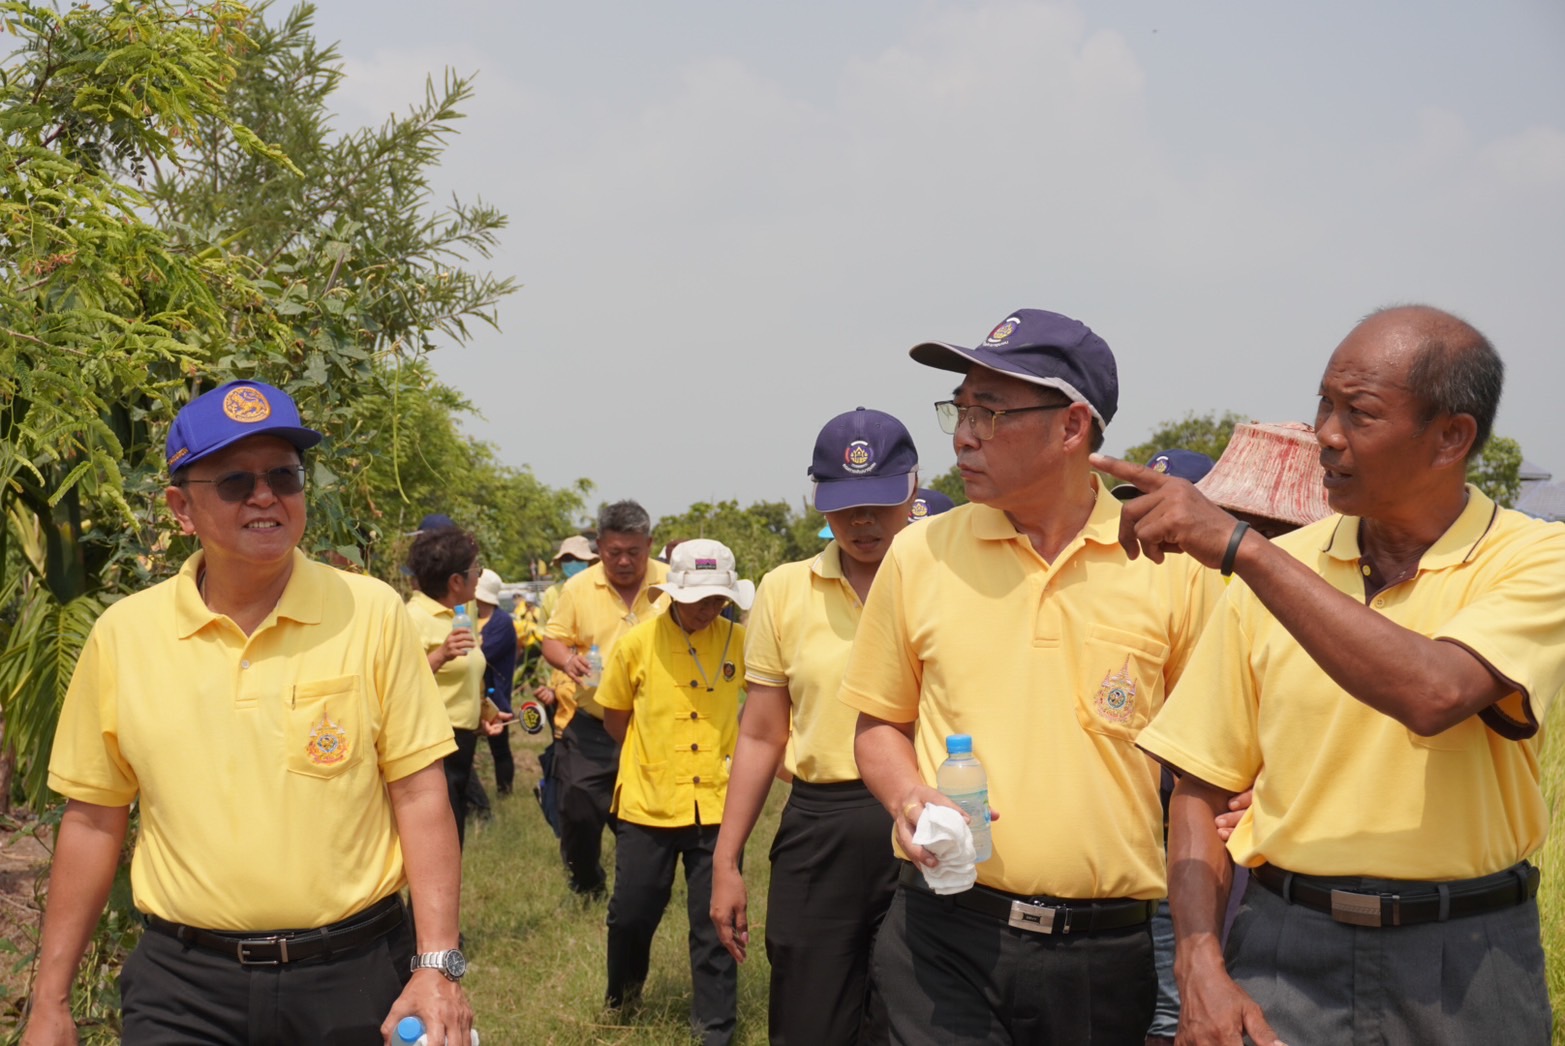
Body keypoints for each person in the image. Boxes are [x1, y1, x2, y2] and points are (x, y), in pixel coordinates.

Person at [1108, 305, 1565, 1046]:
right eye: (1323, 404)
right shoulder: (1281, 569)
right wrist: (1198, 963)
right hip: (1284, 952)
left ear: (1451, 437)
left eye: (1360, 413)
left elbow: (1435, 692)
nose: (1325, 433)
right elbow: (1199, 787)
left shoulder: (1533, 559)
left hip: (1466, 962)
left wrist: (1246, 550)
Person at [24, 380, 471, 1046]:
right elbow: (93, 819)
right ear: (181, 509)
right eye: (235, 482)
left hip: (354, 976)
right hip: (183, 990)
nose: (265, 497)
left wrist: (437, 966)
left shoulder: (370, 613)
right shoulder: (125, 636)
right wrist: (50, 1002)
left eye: (283, 477)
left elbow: (419, 792)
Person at [840, 309, 1221, 1045]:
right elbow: (878, 723)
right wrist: (907, 796)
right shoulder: (920, 554)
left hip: (1103, 953)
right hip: (942, 934)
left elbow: (1211, 770)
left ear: (1072, 427)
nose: (963, 435)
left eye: (989, 412)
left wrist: (1202, 948)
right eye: (958, 410)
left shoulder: (1169, 567)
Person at [710, 407, 919, 1045]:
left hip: (923, 822)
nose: (863, 522)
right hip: (821, 824)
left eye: (879, 503)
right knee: (809, 1016)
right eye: (846, 506)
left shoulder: (947, 581)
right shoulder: (785, 590)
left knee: (910, 1018)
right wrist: (726, 858)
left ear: (913, 488)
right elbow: (760, 733)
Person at [598, 539, 753, 1045]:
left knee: (717, 922)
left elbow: (764, 707)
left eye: (718, 600)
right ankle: (622, 1001)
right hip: (649, 802)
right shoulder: (636, 644)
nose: (710, 609)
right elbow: (616, 718)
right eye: (700, 600)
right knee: (631, 913)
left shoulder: (739, 642)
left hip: (718, 804)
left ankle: (715, 1030)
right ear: (674, 595)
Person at [542, 501, 669, 897]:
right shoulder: (578, 588)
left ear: (650, 544)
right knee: (578, 805)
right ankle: (587, 883)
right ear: (599, 547)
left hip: (654, 725)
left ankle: (640, 891)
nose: (625, 561)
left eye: (634, 552)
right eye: (614, 553)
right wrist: (569, 661)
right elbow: (552, 641)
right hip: (593, 724)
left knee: (647, 815)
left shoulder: (670, 584)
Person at [404, 527, 490, 851]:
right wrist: (440, 655)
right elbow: (399, 682)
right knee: (439, 846)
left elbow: (466, 676)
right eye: (475, 569)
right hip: (434, 747)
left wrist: (485, 713)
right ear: (456, 581)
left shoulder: (458, 615)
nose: (479, 576)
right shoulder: (413, 618)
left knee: (453, 841)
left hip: (462, 742)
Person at [476, 568, 518, 798]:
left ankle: (505, 792)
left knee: (499, 747)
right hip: (472, 694)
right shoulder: (467, 617)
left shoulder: (502, 623)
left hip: (495, 695)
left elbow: (482, 654)